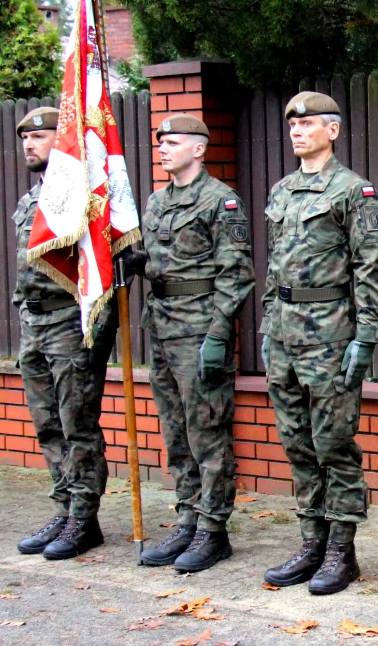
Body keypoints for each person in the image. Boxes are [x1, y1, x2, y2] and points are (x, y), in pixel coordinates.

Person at [260, 92, 378, 595]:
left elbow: (370, 267)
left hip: (332, 332)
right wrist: (270, 325)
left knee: (332, 443)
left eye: (308, 124)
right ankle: (311, 541)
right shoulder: (282, 190)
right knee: (296, 443)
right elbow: (274, 270)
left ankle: (341, 550)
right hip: (286, 332)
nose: (297, 132)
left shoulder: (354, 192)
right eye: (292, 124)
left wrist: (366, 335)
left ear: (331, 131)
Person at [129, 114, 255, 573]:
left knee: (207, 430)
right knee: (175, 431)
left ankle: (212, 529)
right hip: (160, 326)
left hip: (200, 328)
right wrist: (128, 258)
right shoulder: (156, 201)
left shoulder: (220, 202)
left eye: (174, 142)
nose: (163, 148)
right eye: (160, 142)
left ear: (199, 149)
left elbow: (236, 275)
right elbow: (155, 258)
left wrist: (219, 334)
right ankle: (187, 518)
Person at [11, 107, 114, 560]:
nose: (29, 144)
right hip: (34, 326)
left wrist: (97, 330)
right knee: (47, 425)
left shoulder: (82, 200)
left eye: (38, 136)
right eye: (25, 138)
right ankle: (65, 504)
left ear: (63, 138)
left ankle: (84, 518)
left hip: (69, 325)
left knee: (77, 425)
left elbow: (97, 269)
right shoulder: (31, 198)